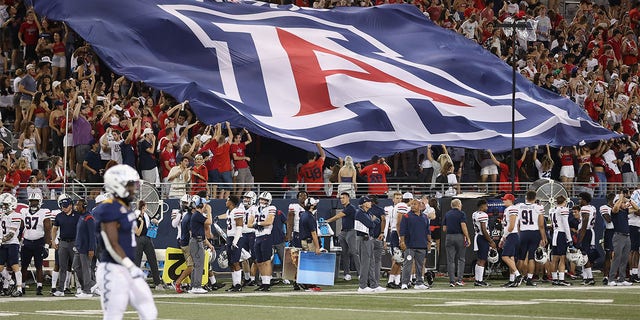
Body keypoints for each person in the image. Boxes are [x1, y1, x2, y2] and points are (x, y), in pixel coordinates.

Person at [93, 164, 157, 318]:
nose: (134, 189)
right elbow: (111, 243)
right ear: (118, 185)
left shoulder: (125, 206)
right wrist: (129, 265)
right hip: (112, 269)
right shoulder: (108, 208)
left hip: (127, 267)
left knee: (148, 309)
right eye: (130, 185)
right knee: (113, 315)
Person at [19, 191, 51, 296]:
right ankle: (22, 286)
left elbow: (47, 230)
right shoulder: (24, 211)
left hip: (39, 242)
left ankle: (39, 287)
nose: (33, 203)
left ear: (40, 202)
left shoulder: (44, 212)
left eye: (35, 201)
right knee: (24, 266)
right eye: (31, 201)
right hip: (27, 242)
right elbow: (21, 228)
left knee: (39, 266)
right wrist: (19, 241)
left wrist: (46, 245)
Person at [325, 192, 359, 281]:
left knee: (354, 252)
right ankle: (347, 274)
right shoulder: (345, 208)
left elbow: (338, 216)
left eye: (343, 198)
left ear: (348, 198)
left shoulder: (351, 208)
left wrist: (327, 221)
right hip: (344, 232)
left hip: (351, 231)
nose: (342, 199)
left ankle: (360, 273)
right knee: (345, 253)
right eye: (341, 198)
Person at [399, 198, 431, 290]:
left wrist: (429, 242)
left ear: (420, 206)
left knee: (420, 265)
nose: (413, 206)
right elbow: (402, 231)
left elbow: (427, 231)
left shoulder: (424, 217)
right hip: (410, 245)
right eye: (412, 204)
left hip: (422, 244)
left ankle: (419, 283)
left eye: (415, 204)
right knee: (407, 264)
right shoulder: (406, 216)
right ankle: (404, 282)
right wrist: (402, 242)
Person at [51, 193, 79, 296]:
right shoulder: (59, 216)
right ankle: (60, 289)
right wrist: (53, 241)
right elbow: (54, 229)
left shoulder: (77, 215)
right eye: (63, 206)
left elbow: (80, 230)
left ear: (71, 205)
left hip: (74, 242)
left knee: (76, 266)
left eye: (66, 206)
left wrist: (79, 242)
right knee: (62, 266)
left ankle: (79, 288)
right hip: (63, 242)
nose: (64, 208)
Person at [517, 190, 547, 286]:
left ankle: (516, 277)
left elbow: (517, 223)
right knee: (531, 258)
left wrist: (519, 234)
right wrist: (543, 237)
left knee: (521, 257)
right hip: (534, 233)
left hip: (523, 232)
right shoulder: (538, 207)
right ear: (535, 198)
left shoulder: (519, 206)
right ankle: (529, 279)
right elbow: (541, 225)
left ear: (526, 197)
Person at [216, 195, 244, 292]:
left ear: (231, 202)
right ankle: (234, 283)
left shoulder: (237, 211)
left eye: (227, 200)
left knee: (236, 262)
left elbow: (240, 227)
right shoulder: (229, 211)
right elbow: (227, 216)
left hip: (236, 238)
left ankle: (238, 285)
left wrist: (235, 242)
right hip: (229, 237)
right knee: (231, 262)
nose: (225, 202)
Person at [248, 192, 276, 292]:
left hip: (266, 236)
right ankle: (264, 282)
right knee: (259, 262)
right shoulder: (254, 208)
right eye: (261, 199)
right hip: (257, 237)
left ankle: (267, 284)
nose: (262, 201)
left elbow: (269, 221)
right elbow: (249, 224)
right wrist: (257, 224)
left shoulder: (271, 208)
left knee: (266, 261)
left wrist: (258, 223)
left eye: (265, 200)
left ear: (269, 201)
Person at [134, 200, 164, 291]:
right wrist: (141, 220)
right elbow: (138, 232)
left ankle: (157, 283)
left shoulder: (146, 215)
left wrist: (154, 221)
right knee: (137, 262)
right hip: (138, 240)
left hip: (147, 238)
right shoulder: (135, 216)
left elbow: (150, 223)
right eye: (145, 206)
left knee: (153, 260)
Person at [188, 195, 215, 294]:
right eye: (205, 204)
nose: (206, 205)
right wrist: (209, 211)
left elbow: (202, 234)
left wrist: (208, 244)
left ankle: (193, 286)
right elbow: (209, 222)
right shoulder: (198, 215)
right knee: (199, 264)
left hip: (197, 241)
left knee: (197, 264)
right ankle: (197, 286)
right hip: (196, 242)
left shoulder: (196, 215)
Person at [609, 191, 636, 286]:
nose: (624, 204)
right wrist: (620, 198)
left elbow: (637, 209)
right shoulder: (614, 211)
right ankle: (611, 279)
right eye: (622, 203)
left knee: (624, 259)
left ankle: (622, 279)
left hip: (627, 236)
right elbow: (615, 207)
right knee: (617, 257)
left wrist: (628, 200)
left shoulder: (625, 211)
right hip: (618, 236)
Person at [354, 196, 380, 293]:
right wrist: (372, 220)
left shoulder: (367, 212)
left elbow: (377, 221)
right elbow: (371, 224)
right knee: (365, 263)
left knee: (371, 262)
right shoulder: (359, 213)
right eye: (368, 202)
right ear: (364, 203)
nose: (370, 203)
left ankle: (373, 285)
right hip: (363, 239)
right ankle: (362, 286)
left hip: (368, 238)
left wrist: (372, 220)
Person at [443, 198, 470, 287]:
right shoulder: (461, 214)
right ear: (459, 205)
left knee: (450, 260)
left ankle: (451, 281)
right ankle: (459, 279)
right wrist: (467, 237)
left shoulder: (447, 214)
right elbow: (463, 226)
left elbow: (444, 228)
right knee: (461, 259)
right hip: (459, 236)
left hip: (449, 236)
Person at [0, 193, 23, 297]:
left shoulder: (16, 216)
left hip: (12, 243)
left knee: (15, 266)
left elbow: (11, 233)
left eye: (5, 204)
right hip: (3, 244)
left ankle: (19, 288)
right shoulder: (3, 215)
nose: (3, 206)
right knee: (0, 267)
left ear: (12, 204)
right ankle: (11, 281)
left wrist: (1, 240)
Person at [297, 197, 323, 291]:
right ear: (311, 206)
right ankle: (310, 284)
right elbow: (313, 233)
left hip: (304, 241)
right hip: (309, 242)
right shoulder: (310, 217)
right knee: (312, 263)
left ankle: (305, 283)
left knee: (306, 263)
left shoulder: (303, 215)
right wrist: (317, 247)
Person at [73, 198, 96, 298]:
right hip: (79, 247)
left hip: (86, 248)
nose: (76, 207)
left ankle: (87, 290)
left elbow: (92, 235)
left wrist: (91, 249)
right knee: (76, 267)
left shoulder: (89, 218)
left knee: (86, 269)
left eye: (79, 205)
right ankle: (89, 286)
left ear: (84, 206)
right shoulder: (81, 217)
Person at [383, 192, 406, 289]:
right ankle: (391, 280)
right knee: (397, 259)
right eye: (397, 198)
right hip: (395, 234)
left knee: (400, 259)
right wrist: (384, 238)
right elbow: (386, 224)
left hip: (399, 234)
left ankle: (397, 280)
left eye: (400, 198)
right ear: (393, 199)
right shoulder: (389, 209)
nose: (399, 200)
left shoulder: (402, 208)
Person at [171, 194, 193, 293]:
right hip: (181, 239)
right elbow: (174, 224)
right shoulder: (177, 212)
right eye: (184, 203)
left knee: (189, 263)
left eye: (186, 203)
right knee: (186, 262)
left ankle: (185, 283)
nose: (185, 205)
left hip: (189, 239)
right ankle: (180, 282)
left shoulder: (191, 212)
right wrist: (179, 215)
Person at [499, 193, 522, 287]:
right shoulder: (507, 209)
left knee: (505, 256)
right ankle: (512, 280)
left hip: (511, 235)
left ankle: (518, 275)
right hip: (511, 235)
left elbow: (512, 226)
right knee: (511, 257)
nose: (503, 201)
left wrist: (503, 237)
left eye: (505, 199)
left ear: (510, 200)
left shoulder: (512, 208)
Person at [472, 199, 495, 287]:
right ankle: (479, 280)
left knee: (479, 259)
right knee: (482, 260)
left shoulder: (475, 214)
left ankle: (477, 279)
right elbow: (484, 229)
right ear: (482, 206)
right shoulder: (483, 215)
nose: (487, 207)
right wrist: (491, 241)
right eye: (486, 206)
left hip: (478, 237)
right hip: (482, 237)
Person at [550, 195, 572, 286]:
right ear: (564, 201)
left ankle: (555, 279)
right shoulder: (563, 209)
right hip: (561, 234)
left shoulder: (552, 210)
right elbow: (566, 225)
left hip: (555, 234)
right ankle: (561, 279)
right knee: (562, 258)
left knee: (554, 258)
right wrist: (569, 238)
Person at [577, 192, 597, 285]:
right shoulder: (592, 208)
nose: (579, 201)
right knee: (584, 256)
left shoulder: (585, 208)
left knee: (584, 256)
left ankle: (590, 278)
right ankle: (586, 277)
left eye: (580, 199)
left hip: (585, 232)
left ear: (584, 200)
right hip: (589, 231)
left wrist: (580, 239)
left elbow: (584, 225)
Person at [240, 191, 258, 286]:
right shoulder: (240, 207)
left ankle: (253, 278)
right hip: (243, 234)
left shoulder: (255, 209)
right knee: (243, 258)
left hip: (252, 234)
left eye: (248, 198)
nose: (246, 199)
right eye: (245, 197)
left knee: (255, 257)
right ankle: (247, 278)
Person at [600, 193, 615, 285]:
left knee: (617, 255)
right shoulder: (604, 207)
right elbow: (608, 219)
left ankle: (614, 275)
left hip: (618, 232)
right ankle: (606, 276)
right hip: (610, 231)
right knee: (608, 255)